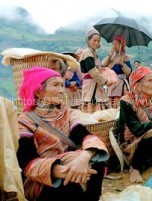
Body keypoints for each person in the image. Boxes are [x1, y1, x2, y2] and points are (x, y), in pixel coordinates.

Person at [17, 67, 109, 201]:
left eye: (62, 85)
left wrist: (84, 157)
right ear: (38, 91)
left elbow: (87, 137)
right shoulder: (24, 122)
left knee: (96, 159)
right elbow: (27, 163)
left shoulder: (66, 113)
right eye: (56, 85)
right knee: (67, 188)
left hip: (73, 168)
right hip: (43, 180)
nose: (62, 90)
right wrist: (64, 171)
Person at [113, 66, 152, 183]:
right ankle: (135, 168)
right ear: (138, 85)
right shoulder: (127, 102)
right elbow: (136, 130)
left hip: (150, 141)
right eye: (149, 81)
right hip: (132, 142)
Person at [79, 27, 113, 113]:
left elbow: (99, 67)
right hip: (91, 85)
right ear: (88, 40)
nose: (96, 43)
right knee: (94, 110)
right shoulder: (88, 53)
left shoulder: (92, 53)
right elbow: (92, 70)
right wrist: (104, 81)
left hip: (94, 84)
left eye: (98, 41)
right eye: (94, 40)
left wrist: (109, 56)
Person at [102, 35, 132, 108]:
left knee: (119, 103)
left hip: (120, 84)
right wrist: (110, 55)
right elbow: (103, 65)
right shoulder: (111, 57)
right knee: (110, 103)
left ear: (121, 45)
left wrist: (122, 64)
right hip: (111, 83)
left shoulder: (125, 57)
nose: (114, 46)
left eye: (116, 44)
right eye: (113, 44)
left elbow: (129, 72)